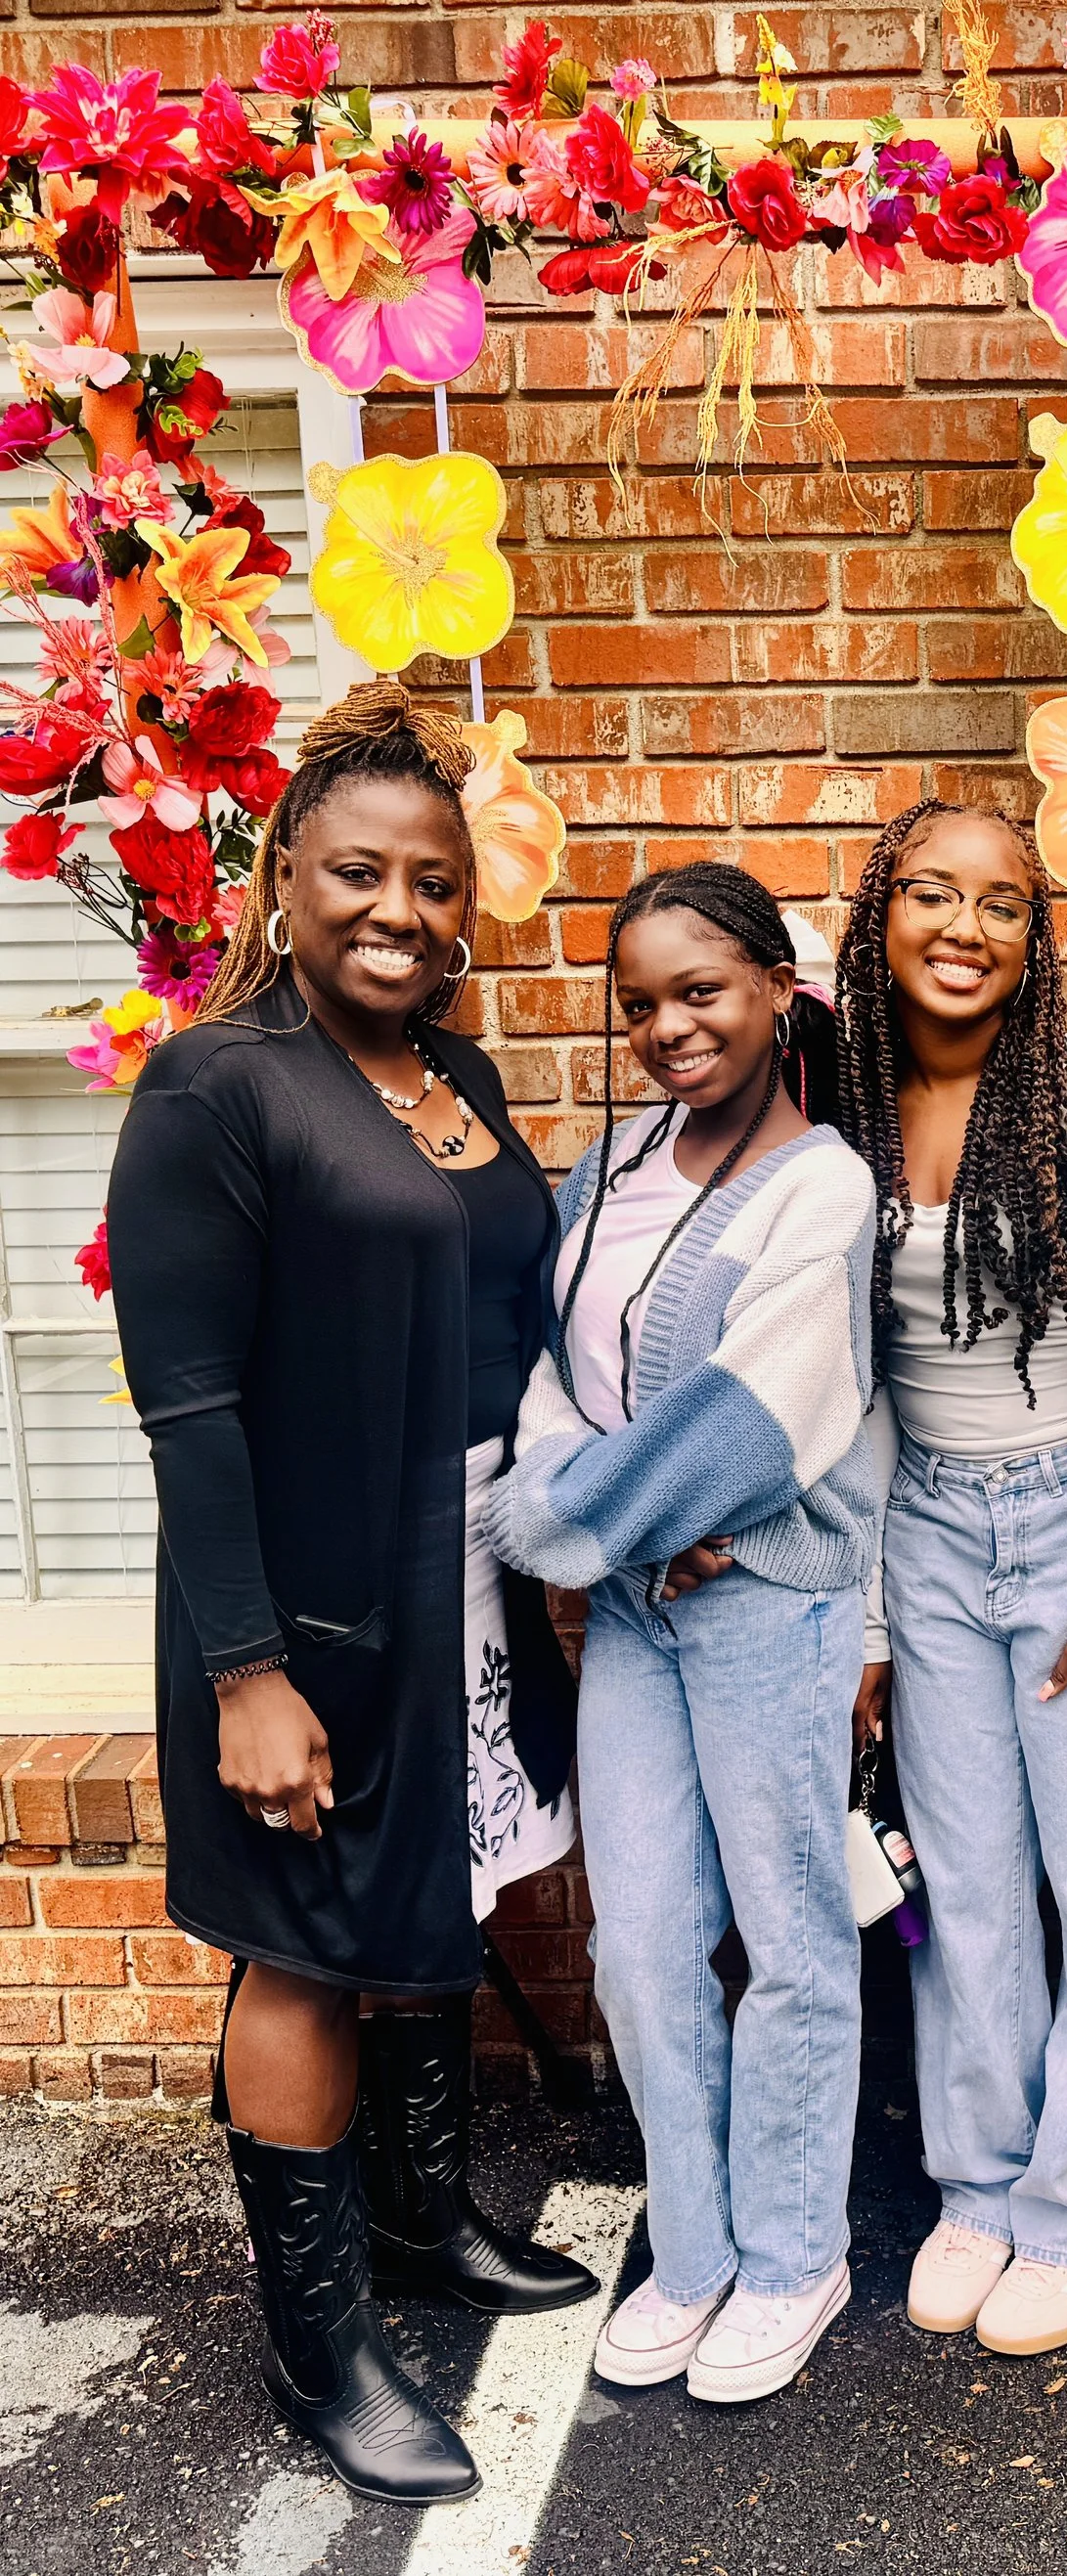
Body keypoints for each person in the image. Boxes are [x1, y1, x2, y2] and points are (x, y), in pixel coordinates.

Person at [107, 682, 594, 2509]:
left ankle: (418, 2214)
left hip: (455, 1561)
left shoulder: (451, 1076)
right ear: (283, 876)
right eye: (360, 874)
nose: (400, 910)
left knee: (429, 1887)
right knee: (305, 1947)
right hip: (303, 1606)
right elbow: (191, 1400)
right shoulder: (221, 1088)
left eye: (437, 884)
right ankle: (322, 2341)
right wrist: (245, 1669)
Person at [485, 861, 881, 2407]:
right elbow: (550, 1379)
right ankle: (698, 2247)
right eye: (638, 1001)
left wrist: (569, 1525)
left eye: (701, 990)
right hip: (645, 1611)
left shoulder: (823, 1184)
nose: (666, 1026)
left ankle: (794, 2254)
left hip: (766, 1600)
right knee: (643, 1944)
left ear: (780, 993)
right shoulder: (606, 1168)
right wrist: (589, 1508)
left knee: (789, 1943)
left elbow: (759, 1419)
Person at [835, 799, 1067, 2360]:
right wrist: (861, 1611)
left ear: (1037, 938)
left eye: (1001, 903)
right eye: (933, 893)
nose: (966, 927)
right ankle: (982, 2182)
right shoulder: (837, 1103)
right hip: (922, 1528)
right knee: (970, 1882)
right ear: (880, 914)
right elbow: (843, 1380)